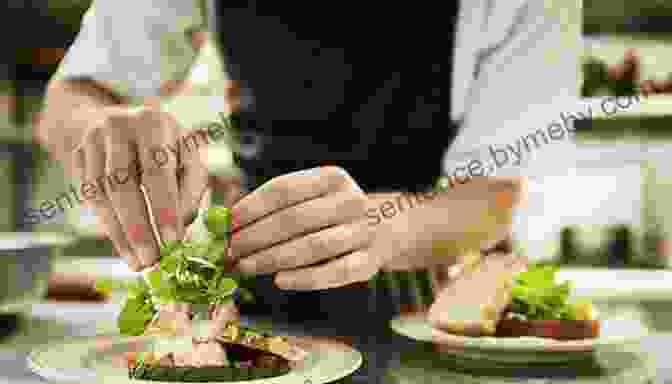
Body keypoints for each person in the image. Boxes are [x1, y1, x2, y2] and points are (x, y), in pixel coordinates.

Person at [36, 0, 576, 322]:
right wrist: (104, 131)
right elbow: (67, 106)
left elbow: (489, 200)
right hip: (244, 286)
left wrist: (377, 228)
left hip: (408, 297)